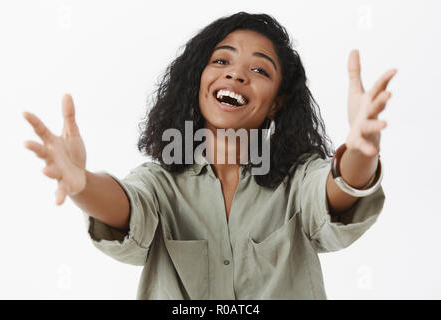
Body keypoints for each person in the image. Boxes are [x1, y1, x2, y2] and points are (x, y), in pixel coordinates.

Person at [23, 12, 396, 299]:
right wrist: (82, 184)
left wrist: (362, 150)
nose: (235, 75)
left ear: (276, 102)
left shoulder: (296, 181)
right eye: (221, 62)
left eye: (259, 69)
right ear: (197, 81)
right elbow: (126, 208)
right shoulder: (161, 184)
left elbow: (334, 192)